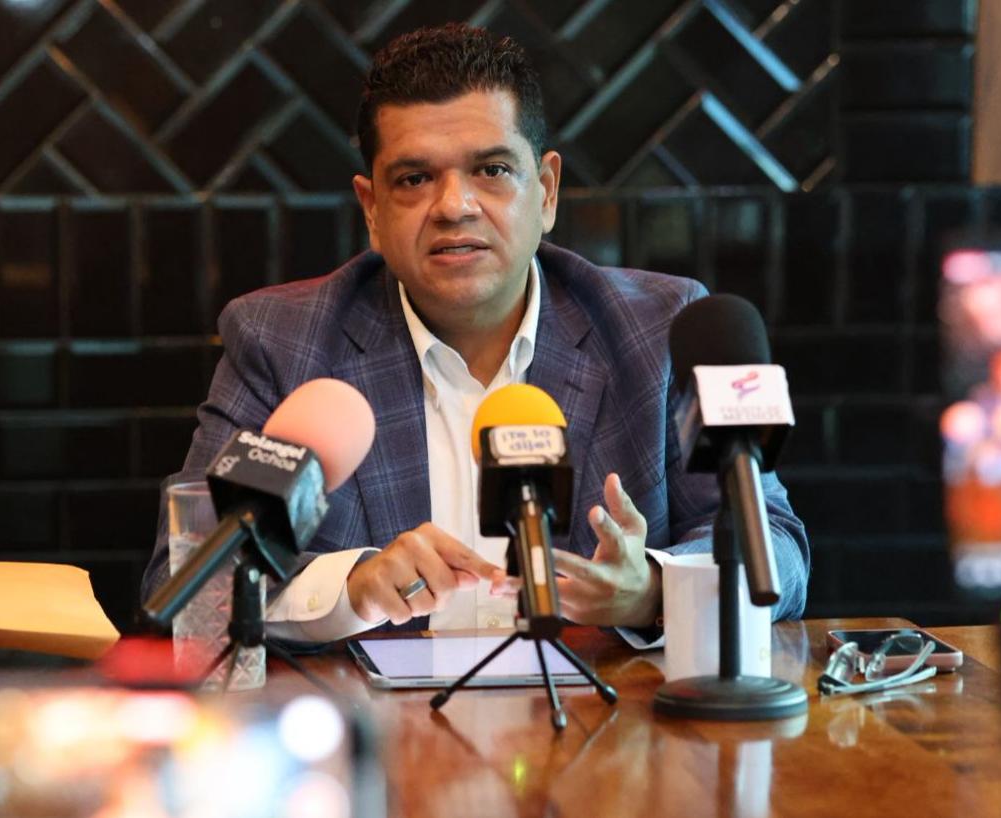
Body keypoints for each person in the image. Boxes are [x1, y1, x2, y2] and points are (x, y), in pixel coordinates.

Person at [141, 23, 809, 645]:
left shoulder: (659, 328)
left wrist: (653, 590)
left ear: (546, 191)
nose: (454, 206)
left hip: (600, 726)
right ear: (371, 209)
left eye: (491, 170)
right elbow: (186, 584)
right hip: (378, 729)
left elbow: (775, 549)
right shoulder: (282, 341)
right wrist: (352, 587)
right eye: (414, 179)